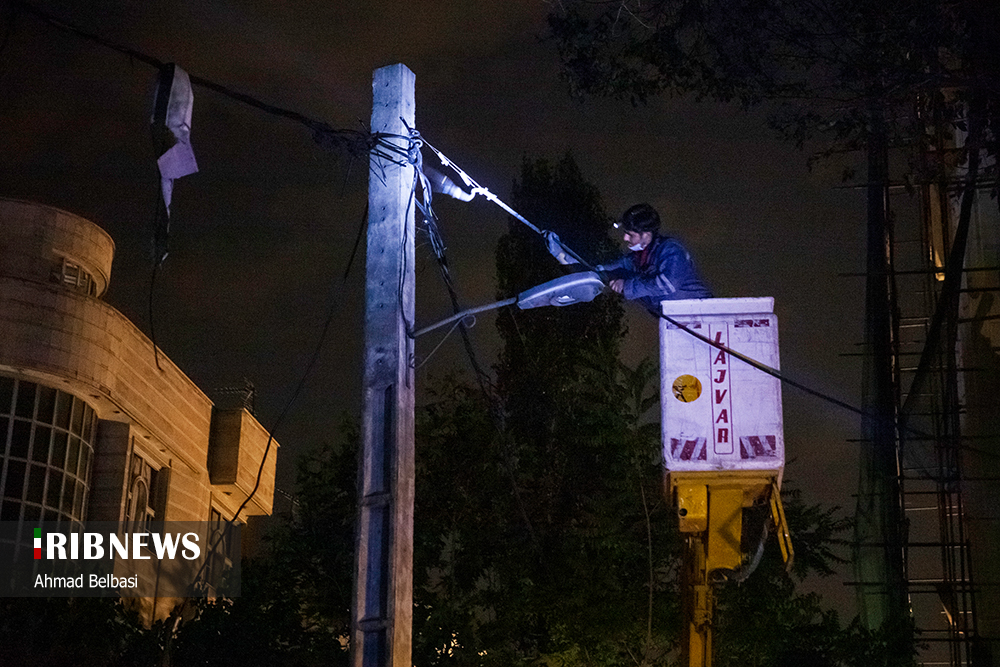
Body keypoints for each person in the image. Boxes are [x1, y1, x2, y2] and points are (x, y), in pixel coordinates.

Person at [598, 203, 712, 313]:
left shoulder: (671, 250)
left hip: (703, 313)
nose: (625, 238)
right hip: (676, 316)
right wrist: (598, 270)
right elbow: (618, 265)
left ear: (646, 235)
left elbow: (668, 284)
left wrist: (627, 286)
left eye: (630, 235)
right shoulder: (638, 257)